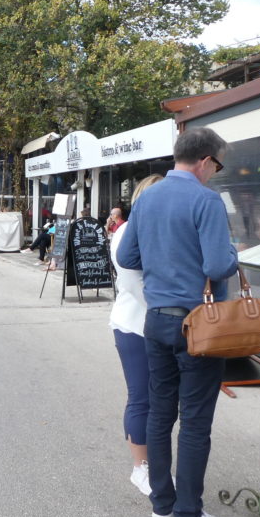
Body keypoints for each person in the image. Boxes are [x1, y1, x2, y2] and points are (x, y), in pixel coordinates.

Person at [117, 127, 239, 517]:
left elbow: (125, 256)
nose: (215, 173)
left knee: (160, 412)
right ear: (205, 160)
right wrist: (234, 251)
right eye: (216, 165)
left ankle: (162, 509)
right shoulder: (206, 200)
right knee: (195, 422)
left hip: (156, 322)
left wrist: (163, 264)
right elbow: (220, 265)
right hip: (198, 326)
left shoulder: (147, 197)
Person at [108, 175, 163, 497]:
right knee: (142, 397)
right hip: (135, 326)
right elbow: (131, 282)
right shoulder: (128, 232)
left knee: (161, 401)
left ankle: (155, 461)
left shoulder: (166, 227)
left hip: (164, 327)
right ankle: (140, 468)